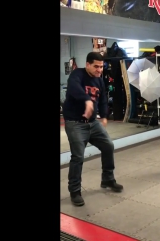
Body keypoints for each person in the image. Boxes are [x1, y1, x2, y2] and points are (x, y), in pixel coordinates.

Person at [63, 52, 123, 206]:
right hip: (75, 123)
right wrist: (87, 100)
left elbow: (103, 99)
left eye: (101, 67)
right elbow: (74, 88)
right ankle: (75, 191)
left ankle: (108, 179)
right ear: (87, 64)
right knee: (78, 156)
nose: (99, 70)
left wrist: (104, 116)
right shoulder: (77, 74)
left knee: (108, 146)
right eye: (96, 66)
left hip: (93, 123)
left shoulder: (100, 80)